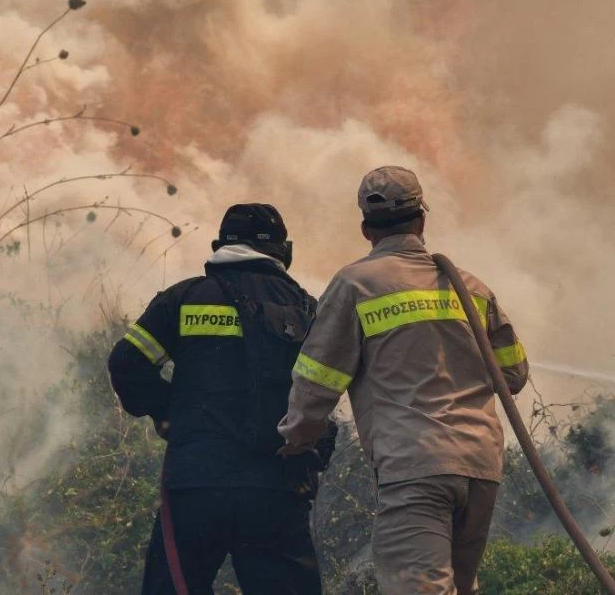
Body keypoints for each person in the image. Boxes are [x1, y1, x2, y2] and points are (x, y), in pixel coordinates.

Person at [278, 166, 530, 594]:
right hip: (480, 469)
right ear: (422, 220)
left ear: (365, 229)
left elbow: (318, 377)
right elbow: (514, 374)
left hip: (415, 468)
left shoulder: (356, 284)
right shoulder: (471, 288)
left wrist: (296, 438)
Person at [108, 203, 333, 595]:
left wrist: (169, 413)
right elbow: (324, 394)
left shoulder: (183, 298)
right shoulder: (305, 309)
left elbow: (127, 364)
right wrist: (314, 449)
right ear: (284, 251)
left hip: (195, 485)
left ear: (219, 246)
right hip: (275, 488)